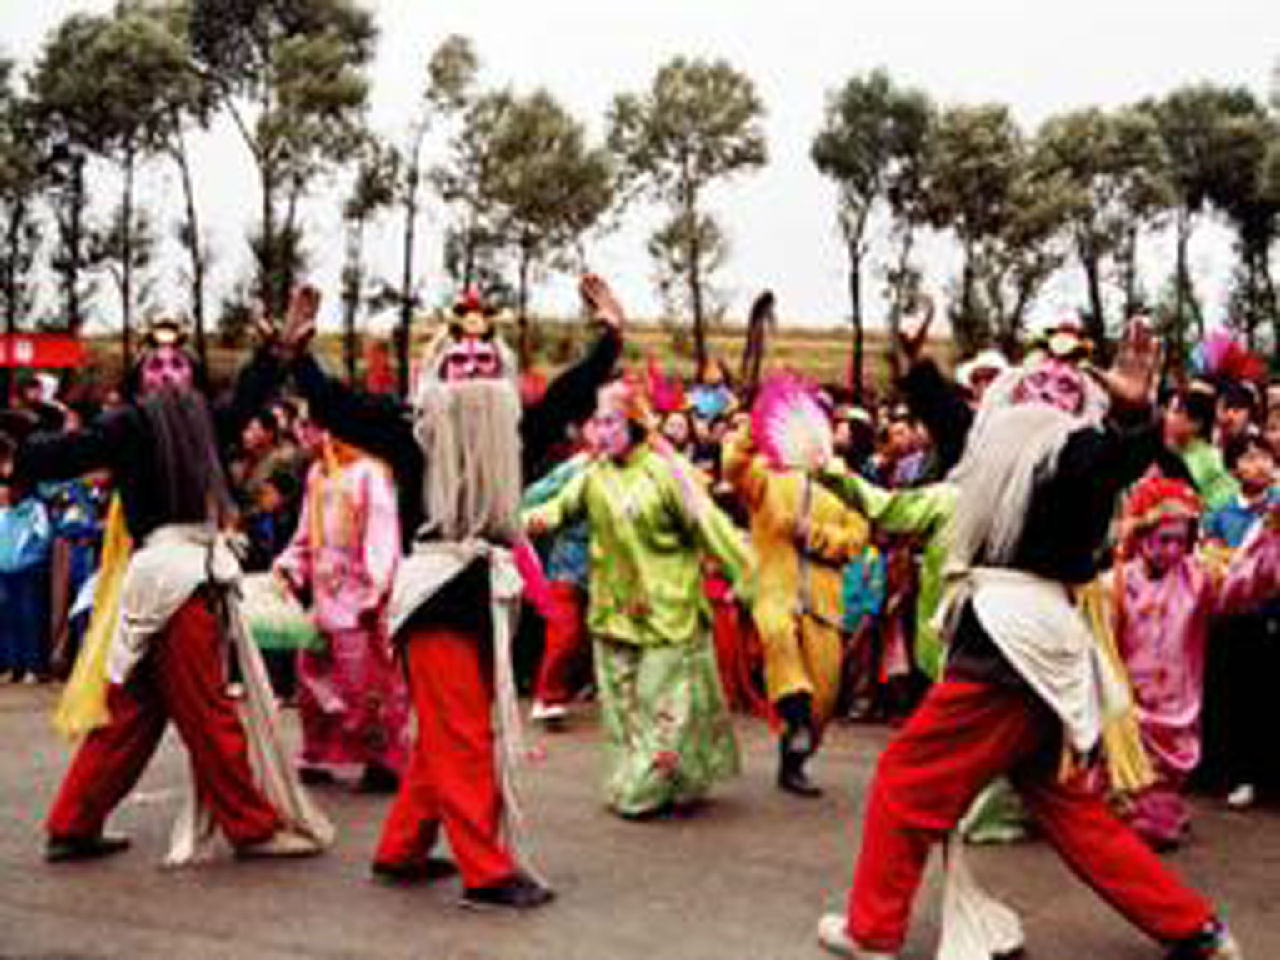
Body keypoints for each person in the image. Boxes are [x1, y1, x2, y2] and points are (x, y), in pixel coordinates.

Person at [816, 319, 1245, 960]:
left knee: (905, 780)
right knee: (1072, 811)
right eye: (1039, 371)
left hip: (1011, 653)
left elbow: (1113, 458)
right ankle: (1195, 929)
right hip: (1027, 650)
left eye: (1066, 380)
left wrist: (1133, 418)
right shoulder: (999, 448)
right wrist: (914, 361)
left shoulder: (1075, 458)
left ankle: (873, 931)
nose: (1048, 381)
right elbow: (954, 424)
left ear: (1082, 405)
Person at [276, 278, 622, 908]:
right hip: (433, 592)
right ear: (438, 370)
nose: (471, 371)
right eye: (458, 361)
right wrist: (299, 355)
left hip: (485, 591)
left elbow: (572, 391)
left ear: (504, 372)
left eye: (484, 361)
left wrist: (610, 337)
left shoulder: (517, 428)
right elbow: (339, 406)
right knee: (462, 733)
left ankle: (401, 848)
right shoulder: (410, 430)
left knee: (449, 733)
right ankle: (486, 872)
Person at [8, 318, 329, 864]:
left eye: (178, 364)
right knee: (208, 712)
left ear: (193, 377)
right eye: (156, 366)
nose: (168, 373)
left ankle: (73, 823)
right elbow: (63, 452)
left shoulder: (206, 419)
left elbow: (249, 395)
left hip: (173, 576)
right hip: (171, 580)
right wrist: (22, 442)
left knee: (132, 713)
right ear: (140, 382)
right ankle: (251, 828)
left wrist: (277, 353)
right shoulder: (128, 424)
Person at [524, 374, 752, 818]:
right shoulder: (593, 476)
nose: (600, 432)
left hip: (668, 613)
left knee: (660, 705)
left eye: (610, 422)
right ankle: (650, 779)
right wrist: (510, 521)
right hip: (612, 613)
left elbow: (709, 526)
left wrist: (746, 576)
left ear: (633, 424)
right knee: (623, 710)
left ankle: (644, 789)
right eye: (596, 423)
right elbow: (555, 511)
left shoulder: (667, 474)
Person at [1107, 474, 1280, 849]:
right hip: (1128, 707)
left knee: (1158, 813)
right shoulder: (1115, 584)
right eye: (1163, 540)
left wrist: (1270, 537)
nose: (1172, 550)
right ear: (1141, 536)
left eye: (1181, 541)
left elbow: (1245, 583)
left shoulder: (1198, 579)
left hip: (1177, 704)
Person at [721, 406, 869, 797]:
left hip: (824, 605)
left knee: (824, 696)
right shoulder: (767, 480)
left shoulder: (845, 490)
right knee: (778, 634)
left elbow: (856, 540)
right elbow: (733, 467)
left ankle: (794, 759)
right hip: (775, 589)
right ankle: (793, 710)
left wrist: (815, 534)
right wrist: (755, 427)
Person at [274, 427, 409, 792]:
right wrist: (290, 564)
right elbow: (306, 533)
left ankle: (383, 760)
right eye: (302, 428)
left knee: (365, 682)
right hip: (323, 594)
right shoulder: (318, 473)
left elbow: (382, 534)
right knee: (311, 675)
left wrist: (377, 589)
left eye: (314, 428)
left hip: (359, 595)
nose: (306, 436)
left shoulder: (370, 472)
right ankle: (318, 752)